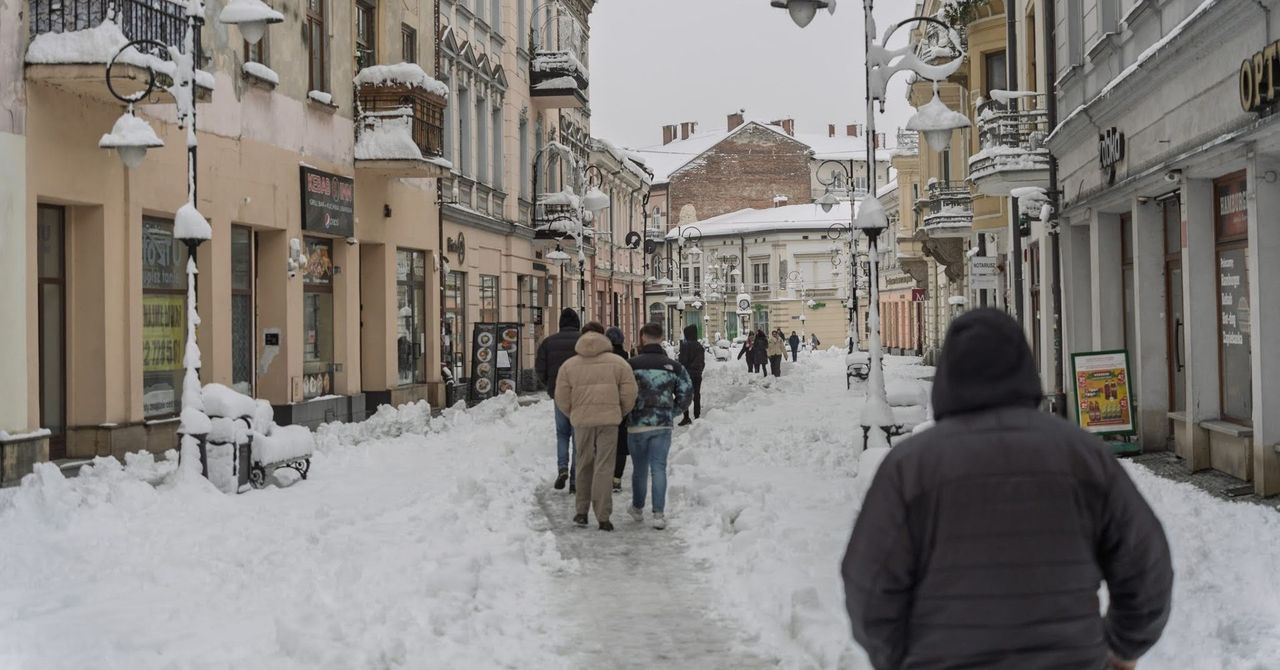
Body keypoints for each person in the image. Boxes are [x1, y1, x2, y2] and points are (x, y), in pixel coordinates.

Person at [841, 309, 1172, 670]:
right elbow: (1146, 565)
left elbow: (868, 583)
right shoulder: (1083, 457)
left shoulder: (909, 467)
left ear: (948, 377)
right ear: (1025, 369)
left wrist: (898, 658)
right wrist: (1123, 648)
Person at [555, 322, 638, 531]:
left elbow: (561, 397)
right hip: (609, 420)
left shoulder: (569, 365)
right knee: (604, 466)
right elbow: (630, 393)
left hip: (582, 421)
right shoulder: (618, 363)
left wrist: (573, 413)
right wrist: (619, 411)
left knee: (583, 463)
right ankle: (603, 516)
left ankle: (581, 512)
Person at [626, 323, 693, 530]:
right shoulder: (673, 366)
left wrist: (627, 412)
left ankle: (637, 508)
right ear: (662, 337)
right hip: (662, 425)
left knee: (639, 469)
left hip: (636, 423)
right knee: (659, 468)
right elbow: (686, 392)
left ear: (643, 337)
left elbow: (621, 391)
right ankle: (658, 514)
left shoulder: (631, 365)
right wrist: (671, 412)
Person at [535, 308, 582, 492]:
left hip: (559, 396)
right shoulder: (583, 341)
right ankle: (575, 479)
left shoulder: (548, 342)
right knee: (578, 436)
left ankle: (562, 467)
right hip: (580, 395)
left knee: (562, 434)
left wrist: (550, 386)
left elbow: (540, 368)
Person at [606, 327, 630, 493]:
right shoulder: (626, 360)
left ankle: (605, 476)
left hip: (604, 406)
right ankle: (616, 478)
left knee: (605, 442)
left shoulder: (602, 359)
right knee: (621, 443)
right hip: (620, 406)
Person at [677, 325, 705, 426]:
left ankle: (686, 417)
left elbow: (682, 361)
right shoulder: (699, 346)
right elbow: (702, 363)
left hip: (687, 375)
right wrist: (699, 371)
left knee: (685, 395)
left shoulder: (685, 346)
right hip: (697, 375)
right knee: (696, 395)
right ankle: (697, 416)